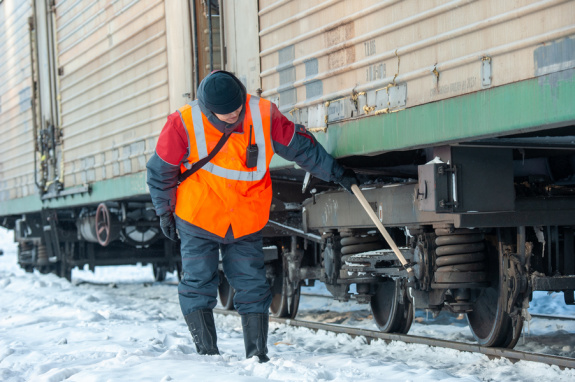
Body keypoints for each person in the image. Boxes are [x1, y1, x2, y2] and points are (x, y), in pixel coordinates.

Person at [146, 70, 358, 362]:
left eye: (237, 108)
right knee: (197, 283)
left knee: (253, 284)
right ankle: (207, 354)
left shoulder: (262, 113)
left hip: (245, 216)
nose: (233, 115)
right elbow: (160, 172)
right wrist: (164, 212)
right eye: (225, 113)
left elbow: (300, 148)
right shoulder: (182, 123)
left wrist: (337, 173)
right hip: (199, 216)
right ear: (208, 109)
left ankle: (257, 355)